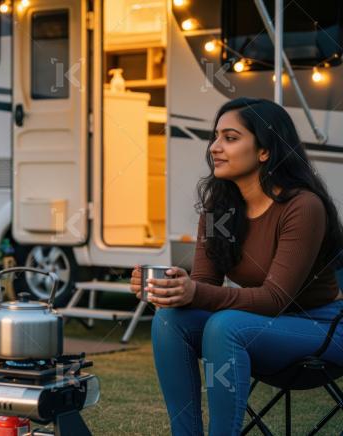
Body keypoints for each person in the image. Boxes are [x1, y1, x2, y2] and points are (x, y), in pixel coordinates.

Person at [130, 97, 343, 435]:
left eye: (230, 138)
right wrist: (174, 290)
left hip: (322, 328)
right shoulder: (219, 209)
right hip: (263, 327)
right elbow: (204, 284)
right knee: (170, 320)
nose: (214, 147)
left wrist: (195, 292)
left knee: (226, 326)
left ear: (265, 150)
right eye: (215, 137)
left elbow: (275, 299)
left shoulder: (302, 206)